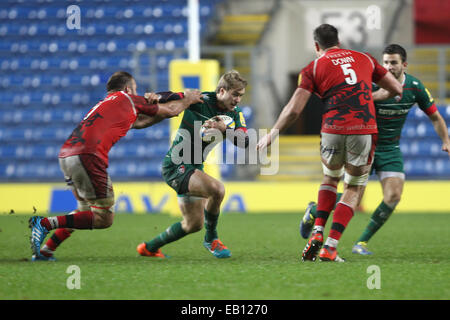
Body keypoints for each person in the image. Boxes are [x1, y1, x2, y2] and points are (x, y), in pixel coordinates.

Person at [257, 24, 402, 262]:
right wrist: (365, 94)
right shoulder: (364, 58)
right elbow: (395, 89)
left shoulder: (312, 67)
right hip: (363, 129)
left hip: (332, 128)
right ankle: (330, 246)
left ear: (317, 46)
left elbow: (294, 109)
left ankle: (317, 232)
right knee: (354, 187)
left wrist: (272, 134)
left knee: (330, 179)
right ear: (339, 40)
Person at [29, 71, 203, 261]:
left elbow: (140, 122)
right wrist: (188, 99)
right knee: (104, 218)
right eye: (135, 90)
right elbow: (172, 110)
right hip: (89, 156)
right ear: (128, 88)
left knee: (85, 209)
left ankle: (47, 250)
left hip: (67, 154)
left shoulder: (107, 104)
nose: (137, 94)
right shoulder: (126, 98)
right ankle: (44, 223)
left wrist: (166, 104)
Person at [300, 44, 450, 255]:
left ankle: (361, 243)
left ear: (404, 65)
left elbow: (434, 115)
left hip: (390, 148)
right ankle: (315, 211)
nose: (388, 67)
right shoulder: (368, 84)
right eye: (385, 62)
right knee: (355, 198)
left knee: (394, 195)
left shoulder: (415, 86)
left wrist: (446, 140)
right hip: (365, 144)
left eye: (394, 63)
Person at [136, 70, 249, 259]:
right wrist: (152, 97)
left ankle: (149, 247)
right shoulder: (200, 100)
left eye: (241, 96)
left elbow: (245, 142)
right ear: (222, 91)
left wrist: (225, 130)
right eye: (235, 94)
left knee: (193, 223)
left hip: (194, 168)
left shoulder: (235, 114)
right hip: (176, 165)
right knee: (217, 190)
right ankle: (211, 238)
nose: (238, 100)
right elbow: (170, 97)